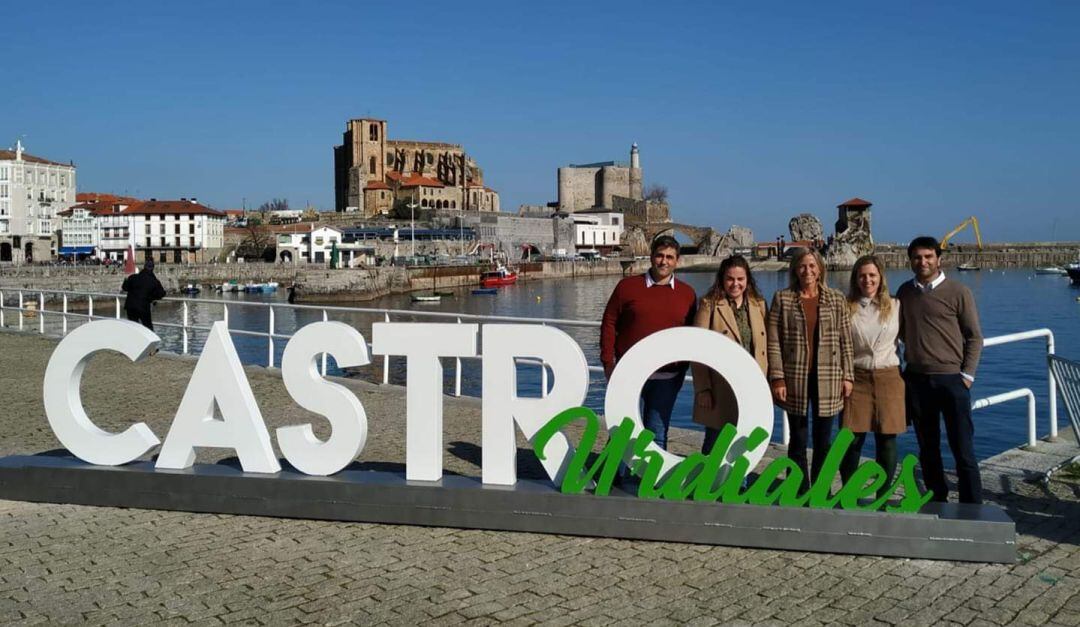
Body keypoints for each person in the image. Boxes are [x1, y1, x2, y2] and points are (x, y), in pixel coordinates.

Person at [897, 236, 983, 504]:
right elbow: (897, 331)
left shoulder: (959, 292)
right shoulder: (904, 292)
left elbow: (974, 337)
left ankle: (972, 506)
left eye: (928, 257)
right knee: (928, 447)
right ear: (910, 260)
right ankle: (937, 501)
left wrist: (966, 376)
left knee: (963, 450)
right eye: (917, 257)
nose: (923, 262)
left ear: (938, 259)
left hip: (951, 380)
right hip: (917, 379)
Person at [767, 248, 854, 492]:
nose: (808, 271)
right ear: (795, 269)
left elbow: (846, 340)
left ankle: (821, 487)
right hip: (795, 377)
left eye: (812, 266)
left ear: (820, 269)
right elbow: (774, 342)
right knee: (798, 438)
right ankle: (798, 487)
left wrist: (848, 376)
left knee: (823, 440)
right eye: (803, 266)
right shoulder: (782, 298)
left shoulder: (836, 298)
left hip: (828, 377)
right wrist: (777, 378)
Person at [600, 235, 697, 450]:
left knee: (657, 433)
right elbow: (609, 323)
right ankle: (612, 479)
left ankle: (649, 482)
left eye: (670, 257)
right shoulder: (627, 287)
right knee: (622, 431)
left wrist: (683, 369)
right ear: (651, 257)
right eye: (660, 256)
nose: (664, 261)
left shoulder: (687, 294)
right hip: (628, 373)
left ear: (677, 261)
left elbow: (692, 336)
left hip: (667, 377)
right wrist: (608, 363)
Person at [838, 255, 905, 497]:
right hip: (856, 377)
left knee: (887, 440)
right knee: (851, 440)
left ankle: (883, 496)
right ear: (855, 279)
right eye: (862, 275)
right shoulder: (846, 307)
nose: (868, 280)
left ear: (880, 278)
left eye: (872, 275)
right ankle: (848, 493)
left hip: (889, 377)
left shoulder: (896, 306)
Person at [691, 255, 768, 454]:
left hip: (751, 385)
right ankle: (707, 482)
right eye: (730, 279)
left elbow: (764, 346)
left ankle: (738, 484)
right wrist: (703, 389)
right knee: (715, 439)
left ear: (747, 280)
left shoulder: (758, 304)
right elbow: (697, 350)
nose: (735, 284)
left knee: (744, 439)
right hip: (719, 386)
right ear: (722, 279)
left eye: (740, 279)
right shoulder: (709, 304)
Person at [121, 258, 166, 330]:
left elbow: (125, 288)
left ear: (144, 267)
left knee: (133, 328)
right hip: (143, 307)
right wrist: (152, 298)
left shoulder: (133, 277)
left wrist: (126, 280)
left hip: (130, 306)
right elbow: (162, 293)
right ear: (152, 268)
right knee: (148, 329)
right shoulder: (154, 281)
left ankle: (134, 340)